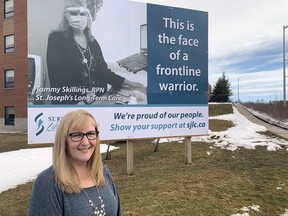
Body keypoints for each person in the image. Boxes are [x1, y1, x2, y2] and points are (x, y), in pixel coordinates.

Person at [47, 0, 145, 104]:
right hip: (72, 103)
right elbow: (56, 79)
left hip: (98, 100)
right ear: (66, 15)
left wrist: (129, 83)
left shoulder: (93, 42)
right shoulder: (56, 39)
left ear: (88, 16)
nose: (78, 17)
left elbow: (104, 72)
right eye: (74, 13)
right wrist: (79, 100)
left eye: (82, 14)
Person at [28, 109, 122, 216]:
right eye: (77, 135)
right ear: (64, 141)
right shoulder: (48, 183)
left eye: (91, 134)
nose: (86, 142)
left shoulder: (103, 172)